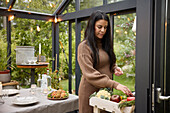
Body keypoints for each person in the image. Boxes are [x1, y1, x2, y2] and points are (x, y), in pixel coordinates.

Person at [77, 10, 132, 113]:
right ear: (92, 26)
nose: (103, 30)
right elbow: (90, 74)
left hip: (105, 92)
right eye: (99, 27)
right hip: (90, 92)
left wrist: (114, 67)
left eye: (105, 27)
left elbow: (106, 61)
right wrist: (115, 84)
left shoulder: (105, 44)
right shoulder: (84, 47)